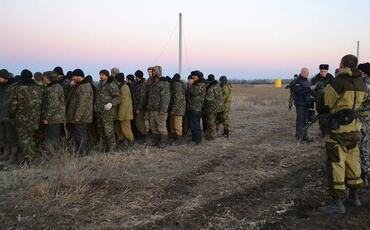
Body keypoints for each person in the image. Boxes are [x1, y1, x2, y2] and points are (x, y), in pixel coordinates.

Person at [316, 54, 367, 214]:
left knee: (335, 164)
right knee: (353, 162)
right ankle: (354, 197)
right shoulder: (361, 82)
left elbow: (324, 104)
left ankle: (337, 203)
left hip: (338, 130)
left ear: (341, 64)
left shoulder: (338, 81)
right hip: (354, 129)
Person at [9, 69, 42, 164]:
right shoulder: (38, 88)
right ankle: (33, 157)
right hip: (35, 118)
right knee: (31, 138)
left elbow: (13, 105)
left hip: (22, 118)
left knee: (23, 139)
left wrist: (11, 115)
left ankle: (30, 158)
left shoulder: (18, 88)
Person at [66, 69, 93, 157]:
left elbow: (82, 103)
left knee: (81, 135)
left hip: (82, 117)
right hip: (78, 116)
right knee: (78, 135)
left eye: (74, 76)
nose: (73, 78)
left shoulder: (85, 86)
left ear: (78, 76)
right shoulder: (79, 85)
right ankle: (80, 151)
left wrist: (78, 116)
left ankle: (82, 153)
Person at [94, 70, 121, 153]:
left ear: (107, 75)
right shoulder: (99, 85)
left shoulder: (112, 84)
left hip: (107, 112)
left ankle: (112, 148)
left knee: (108, 131)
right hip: (99, 111)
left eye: (102, 75)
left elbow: (118, 98)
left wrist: (111, 103)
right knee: (101, 131)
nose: (101, 76)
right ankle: (105, 148)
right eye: (100, 74)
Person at [146, 66, 170, 148]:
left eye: (152, 72)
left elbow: (165, 98)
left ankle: (163, 142)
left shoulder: (163, 83)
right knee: (153, 126)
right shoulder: (153, 82)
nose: (150, 73)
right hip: (153, 109)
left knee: (161, 126)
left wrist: (163, 109)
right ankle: (155, 141)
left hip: (160, 110)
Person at [41, 71, 65, 152]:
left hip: (53, 118)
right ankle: (53, 154)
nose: (43, 79)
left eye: (45, 77)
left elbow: (53, 105)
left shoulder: (53, 89)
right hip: (56, 117)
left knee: (52, 138)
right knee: (54, 137)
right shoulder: (57, 86)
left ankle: (53, 155)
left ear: (49, 78)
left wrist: (46, 118)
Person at [292, 67, 316, 142]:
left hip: (306, 104)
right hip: (300, 104)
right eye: (307, 73)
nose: (308, 74)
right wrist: (310, 89)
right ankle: (299, 137)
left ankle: (304, 137)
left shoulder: (306, 81)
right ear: (302, 73)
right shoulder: (297, 81)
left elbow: (307, 92)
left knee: (306, 121)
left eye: (308, 73)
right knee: (300, 121)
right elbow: (299, 92)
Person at [311, 64, 335, 137]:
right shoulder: (315, 79)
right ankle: (323, 133)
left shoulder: (331, 78)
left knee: (330, 117)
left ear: (327, 71)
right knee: (321, 118)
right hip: (319, 102)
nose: (323, 73)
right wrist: (317, 97)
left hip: (330, 102)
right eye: (321, 71)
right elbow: (311, 90)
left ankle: (330, 133)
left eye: (324, 71)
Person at [0, 69, 18, 161]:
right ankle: (5, 154)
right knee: (3, 137)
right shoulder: (2, 86)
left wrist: (12, 114)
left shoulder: (13, 87)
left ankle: (13, 156)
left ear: (4, 77)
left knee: (11, 137)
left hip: (10, 116)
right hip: (2, 116)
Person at [114, 73, 134, 149]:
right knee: (118, 129)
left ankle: (131, 143)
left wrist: (121, 115)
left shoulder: (124, 88)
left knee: (126, 129)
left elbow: (124, 103)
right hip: (121, 113)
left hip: (124, 114)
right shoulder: (121, 86)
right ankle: (121, 141)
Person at [358, 62, 370, 186]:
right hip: (367, 120)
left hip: (361, 119)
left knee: (359, 148)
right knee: (366, 147)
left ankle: (360, 174)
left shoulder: (364, 85)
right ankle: (366, 173)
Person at [188, 70, 206, 144]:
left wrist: (190, 85)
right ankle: (194, 138)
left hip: (197, 107)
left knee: (196, 124)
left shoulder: (200, 84)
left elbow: (194, 92)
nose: (192, 77)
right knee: (193, 124)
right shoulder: (196, 84)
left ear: (198, 76)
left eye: (194, 75)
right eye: (192, 75)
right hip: (192, 107)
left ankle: (197, 140)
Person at [204, 74, 224, 140]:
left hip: (213, 108)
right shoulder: (218, 86)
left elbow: (209, 99)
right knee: (215, 121)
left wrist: (204, 98)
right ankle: (213, 133)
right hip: (220, 107)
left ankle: (212, 136)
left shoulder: (211, 88)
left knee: (211, 122)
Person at [169, 73, 186, 145]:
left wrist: (173, 110)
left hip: (178, 109)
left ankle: (179, 139)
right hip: (177, 108)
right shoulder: (179, 84)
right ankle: (175, 137)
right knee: (173, 123)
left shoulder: (177, 85)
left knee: (177, 124)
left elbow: (178, 99)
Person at [132, 70, 148, 143]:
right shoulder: (136, 83)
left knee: (140, 123)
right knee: (136, 123)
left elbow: (142, 98)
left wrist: (139, 108)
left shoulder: (143, 85)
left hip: (140, 108)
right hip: (135, 107)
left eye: (136, 76)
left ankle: (144, 137)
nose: (135, 77)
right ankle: (139, 136)